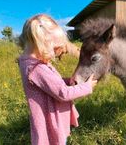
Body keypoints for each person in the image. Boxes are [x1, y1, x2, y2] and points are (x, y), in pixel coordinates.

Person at [17, 14, 97, 145]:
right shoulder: (37, 68)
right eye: (55, 49)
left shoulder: (31, 63)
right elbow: (62, 93)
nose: (56, 53)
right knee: (54, 140)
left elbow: (49, 84)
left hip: (49, 115)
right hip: (50, 119)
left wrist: (66, 81)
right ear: (43, 43)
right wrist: (87, 87)